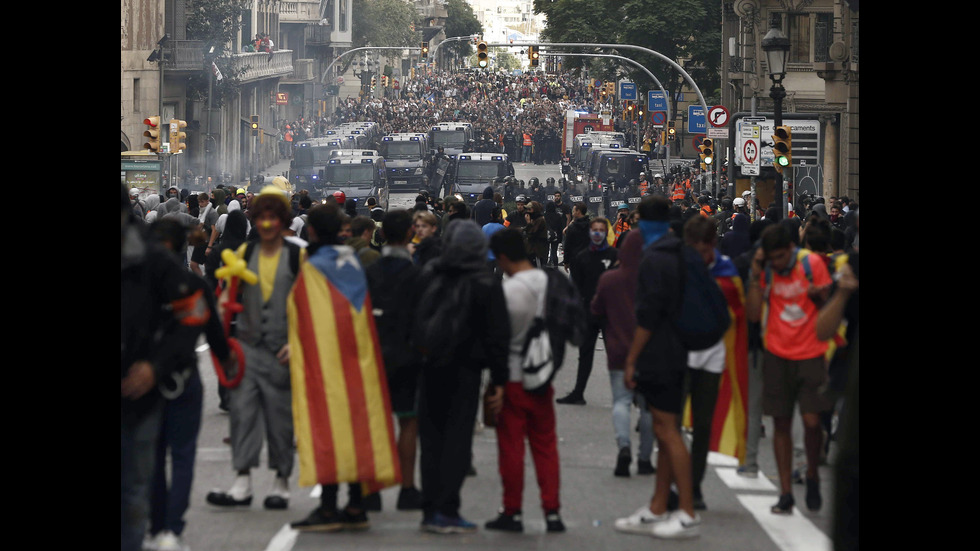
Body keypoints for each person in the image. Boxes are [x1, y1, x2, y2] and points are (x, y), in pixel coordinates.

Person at [287, 202, 401, 533]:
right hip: (360, 358)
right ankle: (355, 505)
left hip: (325, 362)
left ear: (311, 231)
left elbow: (307, 317)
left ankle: (327, 508)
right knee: (357, 430)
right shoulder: (351, 260)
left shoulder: (313, 266)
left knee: (326, 432)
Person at [121, 185, 215, 551]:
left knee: (133, 483)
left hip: (139, 390)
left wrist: (155, 366)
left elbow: (190, 317)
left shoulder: (150, 258)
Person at [206, 187, 306, 512]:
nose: (266, 223)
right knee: (243, 414)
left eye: (272, 217)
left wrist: (297, 343)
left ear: (282, 221)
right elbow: (227, 297)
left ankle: (280, 483)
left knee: (280, 419)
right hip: (247, 348)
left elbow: (310, 306)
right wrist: (225, 343)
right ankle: (242, 482)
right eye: (261, 217)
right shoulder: (245, 254)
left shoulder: (296, 256)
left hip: (282, 350)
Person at [414, 220, 510, 534]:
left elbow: (414, 318)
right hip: (466, 369)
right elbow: (498, 337)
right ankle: (448, 508)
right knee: (457, 440)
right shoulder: (485, 282)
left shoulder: (430, 273)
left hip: (429, 367)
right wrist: (499, 379)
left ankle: (430, 508)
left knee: (431, 441)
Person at [145, 218, 233, 551]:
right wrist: (227, 362)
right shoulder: (193, 285)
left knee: (152, 456)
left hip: (148, 378)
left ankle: (155, 526)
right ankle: (172, 529)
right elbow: (213, 332)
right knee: (182, 457)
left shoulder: (139, 280)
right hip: (183, 378)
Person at [616, 195, 701, 539]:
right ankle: (658, 505)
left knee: (667, 431)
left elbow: (649, 315)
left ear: (643, 222)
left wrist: (632, 358)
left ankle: (687, 513)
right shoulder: (680, 251)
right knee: (668, 430)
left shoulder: (655, 257)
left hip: (661, 352)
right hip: (679, 349)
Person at [745, 223, 833, 514]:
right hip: (776, 353)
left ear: (792, 250)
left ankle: (810, 472)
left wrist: (820, 293)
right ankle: (785, 492)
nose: (778, 263)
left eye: (782, 257)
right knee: (780, 423)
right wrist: (757, 275)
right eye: (772, 258)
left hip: (810, 353)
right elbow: (755, 315)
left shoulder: (813, 264)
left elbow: (827, 304)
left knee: (811, 422)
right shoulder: (766, 269)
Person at [483, 228, 566, 534]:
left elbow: (498, 340)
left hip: (513, 378)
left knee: (512, 448)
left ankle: (513, 509)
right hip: (542, 376)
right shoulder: (549, 282)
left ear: (504, 257)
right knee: (545, 446)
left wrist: (497, 382)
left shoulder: (508, 293)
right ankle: (552, 510)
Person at [679, 215, 747, 511]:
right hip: (679, 356)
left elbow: (741, 318)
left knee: (703, 426)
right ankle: (676, 485)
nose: (699, 255)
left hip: (713, 358)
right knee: (670, 426)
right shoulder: (677, 267)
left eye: (704, 249)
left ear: (712, 245)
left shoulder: (726, 273)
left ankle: (693, 487)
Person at [364, 209, 425, 512]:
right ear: (410, 235)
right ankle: (407, 488)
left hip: (373, 357)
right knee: (408, 422)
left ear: (382, 235)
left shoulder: (369, 272)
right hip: (407, 358)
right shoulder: (416, 275)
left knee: (374, 422)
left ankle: (371, 491)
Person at [590, 230, 655, 478]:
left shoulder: (610, 279)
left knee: (621, 401)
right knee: (648, 407)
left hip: (617, 350)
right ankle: (645, 458)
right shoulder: (652, 279)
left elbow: (595, 309)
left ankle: (624, 446)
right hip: (648, 351)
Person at [556, 216, 618, 406]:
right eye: (595, 230)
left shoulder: (615, 256)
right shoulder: (582, 257)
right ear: (590, 233)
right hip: (588, 313)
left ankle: (622, 396)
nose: (598, 233)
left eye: (601, 229)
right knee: (585, 354)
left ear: (606, 232)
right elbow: (578, 288)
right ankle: (578, 392)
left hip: (610, 315)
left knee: (615, 356)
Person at [560, 202, 590, 274]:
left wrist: (566, 262)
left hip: (575, 259)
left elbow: (567, 245)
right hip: (588, 258)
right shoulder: (591, 225)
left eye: (574, 211)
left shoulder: (572, 227)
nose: (572, 212)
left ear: (578, 211)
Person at [522, 200, 549, 268]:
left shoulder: (540, 220)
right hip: (530, 251)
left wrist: (528, 223)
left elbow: (532, 233)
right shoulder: (533, 219)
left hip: (537, 252)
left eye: (529, 209)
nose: (527, 211)